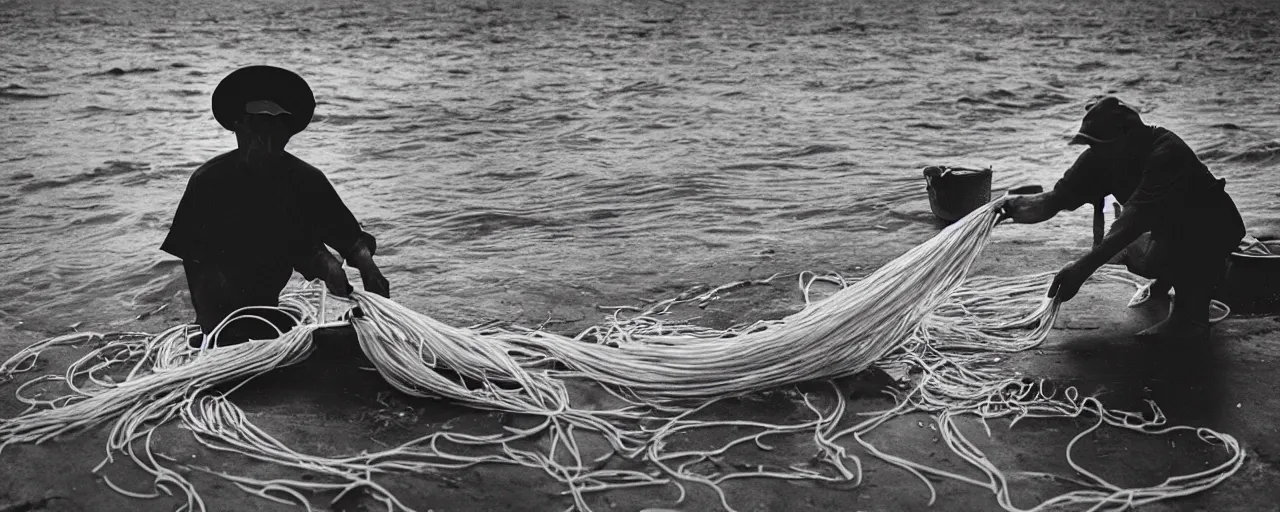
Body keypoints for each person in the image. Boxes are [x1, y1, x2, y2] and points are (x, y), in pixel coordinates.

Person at [161, 65, 391, 347]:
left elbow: (349, 237)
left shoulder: (305, 178)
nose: (266, 143)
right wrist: (217, 332)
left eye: (275, 133)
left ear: (287, 135)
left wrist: (366, 265)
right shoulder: (208, 181)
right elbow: (196, 266)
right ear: (239, 128)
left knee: (326, 270)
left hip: (269, 302)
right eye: (257, 131)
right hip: (219, 311)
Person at [1002, 97, 1245, 343]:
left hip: (1213, 229)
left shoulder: (1166, 153)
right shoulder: (1100, 157)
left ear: (1127, 135)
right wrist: (1009, 210)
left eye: (1101, 145)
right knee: (1136, 254)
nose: (1095, 152)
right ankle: (1166, 280)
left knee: (1182, 238)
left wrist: (1081, 269)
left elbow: (1132, 222)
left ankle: (1190, 318)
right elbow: (1056, 199)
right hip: (1167, 230)